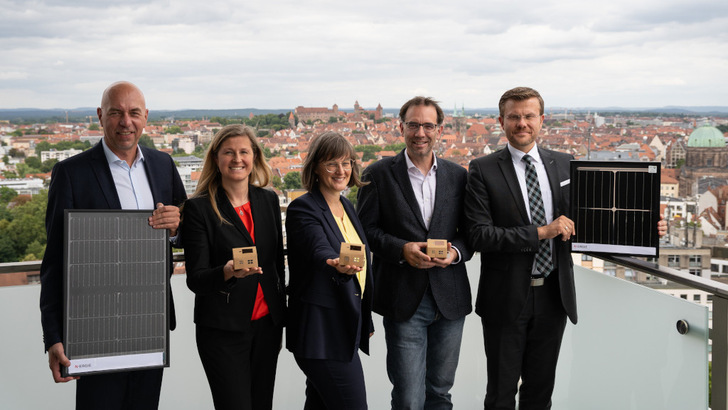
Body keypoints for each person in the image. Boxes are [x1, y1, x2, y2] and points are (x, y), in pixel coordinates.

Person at [464, 86, 668, 410]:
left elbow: (590, 221)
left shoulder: (564, 163)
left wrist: (646, 230)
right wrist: (541, 232)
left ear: (541, 120)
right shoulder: (482, 169)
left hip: (553, 296)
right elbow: (479, 236)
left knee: (541, 391)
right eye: (514, 117)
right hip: (505, 297)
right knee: (501, 393)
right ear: (501, 121)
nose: (522, 123)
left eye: (529, 116)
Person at [39, 81, 187, 409]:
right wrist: (53, 336)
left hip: (151, 322)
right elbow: (54, 262)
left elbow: (185, 230)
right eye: (116, 113)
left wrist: (176, 228)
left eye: (134, 113)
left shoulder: (163, 165)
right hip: (95, 326)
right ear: (100, 116)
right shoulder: (71, 173)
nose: (126, 121)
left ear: (146, 117)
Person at [357, 96, 472, 409]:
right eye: (413, 125)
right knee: (408, 397)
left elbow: (471, 234)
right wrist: (401, 249)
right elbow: (365, 232)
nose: (420, 132)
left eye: (427, 125)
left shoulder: (458, 175)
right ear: (401, 127)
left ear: (439, 130)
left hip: (450, 298)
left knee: (440, 393)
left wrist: (455, 254)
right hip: (404, 298)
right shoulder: (378, 174)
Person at [181, 124, 286, 410]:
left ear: (255, 157)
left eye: (243, 152)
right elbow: (196, 280)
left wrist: (281, 314)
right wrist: (227, 272)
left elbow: (276, 264)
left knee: (262, 404)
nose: (237, 159)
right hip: (223, 330)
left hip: (267, 326)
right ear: (216, 159)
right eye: (228, 152)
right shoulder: (199, 208)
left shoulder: (268, 200)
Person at [286, 131, 373, 410]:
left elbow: (361, 268)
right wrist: (333, 262)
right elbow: (317, 248)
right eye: (331, 163)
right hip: (321, 333)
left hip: (343, 326)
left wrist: (365, 320)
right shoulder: (304, 208)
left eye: (346, 162)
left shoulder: (346, 205)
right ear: (315, 168)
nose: (341, 170)